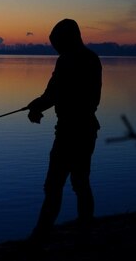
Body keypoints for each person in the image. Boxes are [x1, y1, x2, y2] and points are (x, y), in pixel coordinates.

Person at [26, 18, 102, 246]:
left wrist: (38, 106)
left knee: (56, 185)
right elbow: (54, 93)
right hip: (84, 130)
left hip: (73, 132)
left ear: (69, 39)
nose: (56, 48)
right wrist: (38, 105)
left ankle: (42, 235)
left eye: (57, 43)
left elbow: (55, 93)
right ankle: (83, 231)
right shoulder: (88, 59)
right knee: (79, 183)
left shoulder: (72, 61)